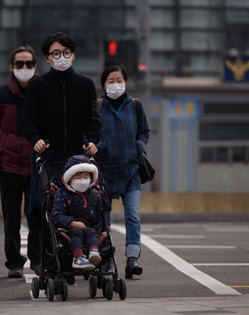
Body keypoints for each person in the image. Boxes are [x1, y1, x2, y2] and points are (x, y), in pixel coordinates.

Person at [21, 32, 101, 233]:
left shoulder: (86, 85)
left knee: (83, 204)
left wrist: (92, 141)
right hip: (46, 155)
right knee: (40, 205)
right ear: (47, 58)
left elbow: (93, 121)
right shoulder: (38, 86)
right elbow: (28, 120)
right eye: (55, 53)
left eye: (66, 52)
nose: (61, 57)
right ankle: (39, 257)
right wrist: (35, 139)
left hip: (77, 156)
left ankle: (86, 249)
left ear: (73, 55)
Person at [0, 46, 41, 278]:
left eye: (29, 64)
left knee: (37, 215)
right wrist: (5, 143)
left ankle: (38, 260)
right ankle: (14, 263)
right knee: (11, 217)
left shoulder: (43, 92)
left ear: (35, 65)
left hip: (36, 164)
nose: (25, 68)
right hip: (7, 164)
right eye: (20, 64)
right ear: (11, 67)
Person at [95, 65, 150, 279]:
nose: (115, 84)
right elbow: (88, 133)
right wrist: (100, 145)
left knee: (133, 216)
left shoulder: (135, 105)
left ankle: (132, 259)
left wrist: (139, 146)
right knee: (103, 218)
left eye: (119, 79)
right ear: (104, 84)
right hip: (104, 173)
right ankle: (106, 259)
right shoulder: (97, 107)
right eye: (111, 80)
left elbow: (144, 131)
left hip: (131, 171)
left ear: (125, 82)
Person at [52, 155, 103, 270]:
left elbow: (100, 216)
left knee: (91, 232)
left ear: (91, 178)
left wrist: (99, 228)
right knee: (77, 233)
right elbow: (57, 214)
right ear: (69, 178)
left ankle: (94, 252)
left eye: (86, 176)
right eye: (78, 176)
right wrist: (72, 223)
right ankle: (78, 258)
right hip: (69, 230)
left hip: (90, 229)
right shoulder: (62, 194)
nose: (82, 179)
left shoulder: (95, 195)